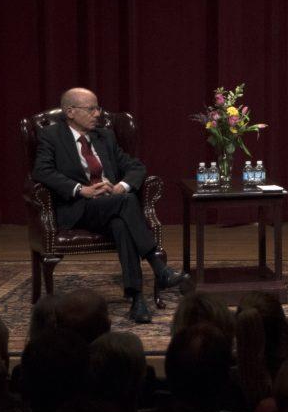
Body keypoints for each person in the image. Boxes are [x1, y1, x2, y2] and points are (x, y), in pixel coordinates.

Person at [32, 87, 189, 324]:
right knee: (126, 204)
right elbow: (41, 171)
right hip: (79, 208)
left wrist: (122, 186)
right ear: (70, 111)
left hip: (112, 205)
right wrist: (81, 190)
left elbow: (135, 166)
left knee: (121, 223)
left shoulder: (104, 136)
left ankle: (137, 299)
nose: (98, 114)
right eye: (92, 109)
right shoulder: (52, 136)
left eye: (98, 108)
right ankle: (159, 267)